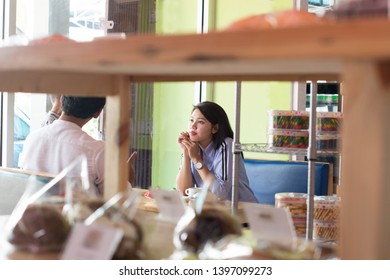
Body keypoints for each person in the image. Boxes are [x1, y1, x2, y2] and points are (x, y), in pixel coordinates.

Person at [20, 95, 136, 196]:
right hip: (74, 220)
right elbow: (118, 204)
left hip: (32, 218)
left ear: (61, 100)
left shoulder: (32, 139)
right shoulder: (97, 151)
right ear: (98, 112)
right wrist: (126, 179)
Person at [176, 101, 258, 203]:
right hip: (215, 211)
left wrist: (196, 158)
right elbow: (183, 191)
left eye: (201, 122)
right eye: (191, 120)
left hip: (242, 212)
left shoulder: (226, 145)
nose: (193, 126)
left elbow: (220, 193)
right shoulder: (192, 147)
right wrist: (186, 153)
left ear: (214, 128)